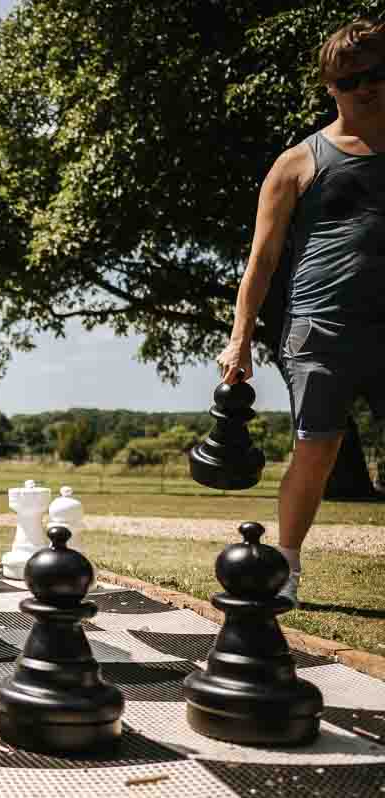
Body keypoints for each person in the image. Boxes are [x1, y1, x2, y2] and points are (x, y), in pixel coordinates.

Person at [217, 19, 385, 606]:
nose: (365, 88)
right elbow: (261, 262)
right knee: (317, 449)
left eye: (376, 74)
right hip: (320, 327)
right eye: (350, 80)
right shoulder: (296, 162)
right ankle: (285, 570)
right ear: (330, 86)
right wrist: (239, 339)